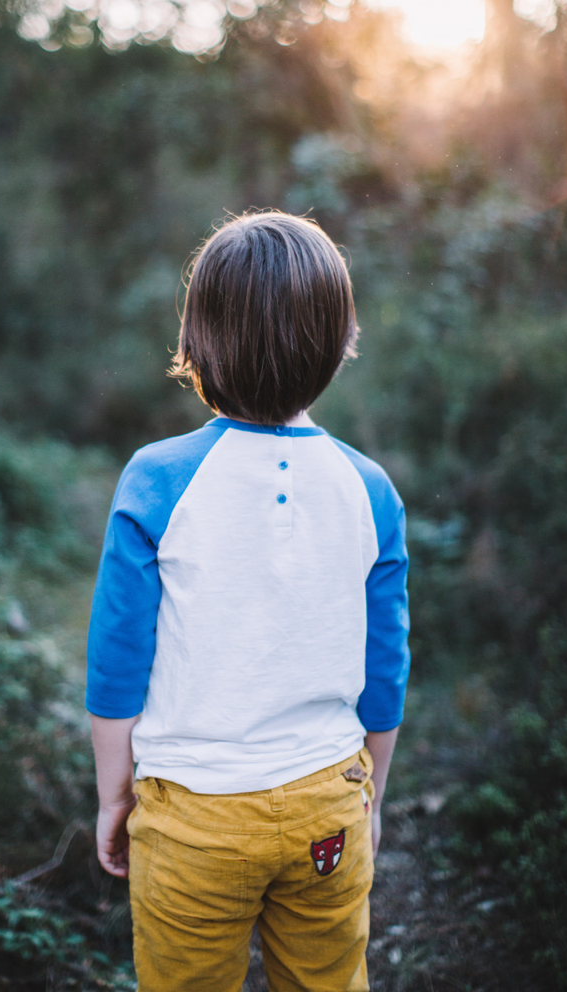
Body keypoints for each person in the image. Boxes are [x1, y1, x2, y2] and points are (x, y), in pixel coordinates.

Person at [86, 210, 410, 992]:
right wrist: (371, 794)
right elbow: (385, 668)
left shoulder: (157, 480)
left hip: (194, 821)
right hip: (325, 810)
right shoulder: (371, 490)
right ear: (340, 344)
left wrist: (112, 797)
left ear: (197, 345)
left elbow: (118, 660)